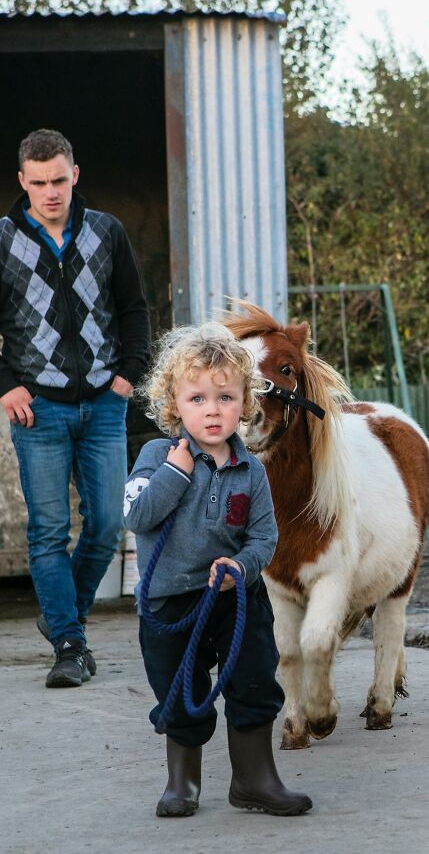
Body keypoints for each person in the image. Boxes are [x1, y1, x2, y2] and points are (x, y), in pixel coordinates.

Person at [0, 129, 150, 688]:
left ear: (75, 175)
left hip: (104, 405)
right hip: (37, 410)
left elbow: (134, 308)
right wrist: (3, 384)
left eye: (59, 180)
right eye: (39, 182)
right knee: (48, 530)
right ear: (22, 181)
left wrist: (127, 376)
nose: (50, 192)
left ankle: (64, 615)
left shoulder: (106, 232)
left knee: (110, 522)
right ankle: (70, 645)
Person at [123, 323, 312, 818]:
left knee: (254, 679)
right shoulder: (155, 457)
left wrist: (242, 567)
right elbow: (137, 515)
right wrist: (175, 473)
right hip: (170, 600)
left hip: (235, 596)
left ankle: (255, 779)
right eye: (198, 398)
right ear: (175, 405)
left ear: (246, 402)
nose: (212, 409)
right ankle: (182, 783)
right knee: (180, 690)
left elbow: (264, 538)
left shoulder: (251, 470)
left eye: (226, 397)